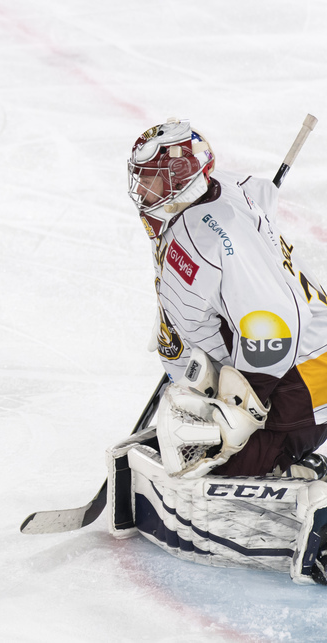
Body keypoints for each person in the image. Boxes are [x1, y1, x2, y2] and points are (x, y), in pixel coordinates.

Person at [106, 118, 327, 584]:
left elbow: (274, 327)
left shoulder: (211, 238)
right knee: (193, 440)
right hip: (290, 365)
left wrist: (246, 406)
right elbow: (257, 192)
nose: (141, 189)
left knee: (222, 463)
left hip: (302, 378)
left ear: (179, 177)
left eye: (150, 177)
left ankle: (296, 467)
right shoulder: (217, 195)